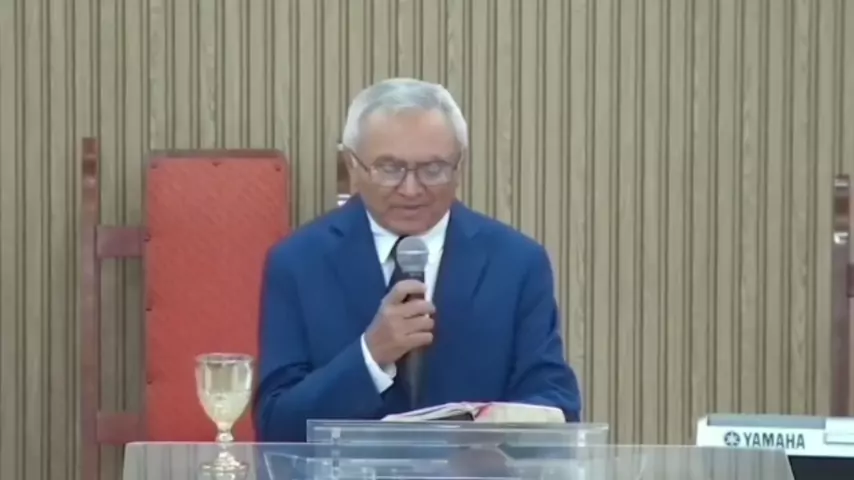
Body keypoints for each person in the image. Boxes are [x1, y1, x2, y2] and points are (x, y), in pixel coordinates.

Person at [255, 78, 581, 442]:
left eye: (433, 169)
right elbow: (276, 424)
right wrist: (371, 356)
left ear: (459, 166)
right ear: (352, 165)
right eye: (389, 169)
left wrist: (491, 437)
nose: (411, 190)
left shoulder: (517, 263)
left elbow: (556, 405)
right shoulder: (299, 262)